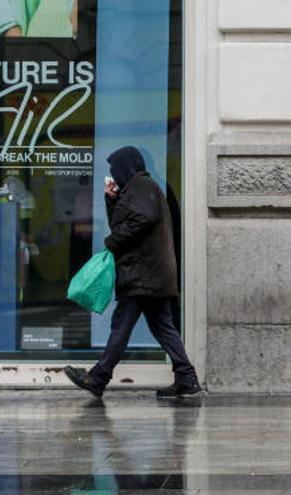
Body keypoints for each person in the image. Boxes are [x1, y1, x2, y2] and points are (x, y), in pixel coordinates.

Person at [64, 146, 204, 399]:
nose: (112, 175)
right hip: (151, 272)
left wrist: (112, 242)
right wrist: (112, 200)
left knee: (121, 326)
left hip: (143, 273)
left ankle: (98, 377)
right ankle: (187, 378)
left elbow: (142, 220)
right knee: (163, 326)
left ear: (126, 166)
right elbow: (125, 221)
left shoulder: (142, 185)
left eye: (114, 169)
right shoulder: (137, 189)